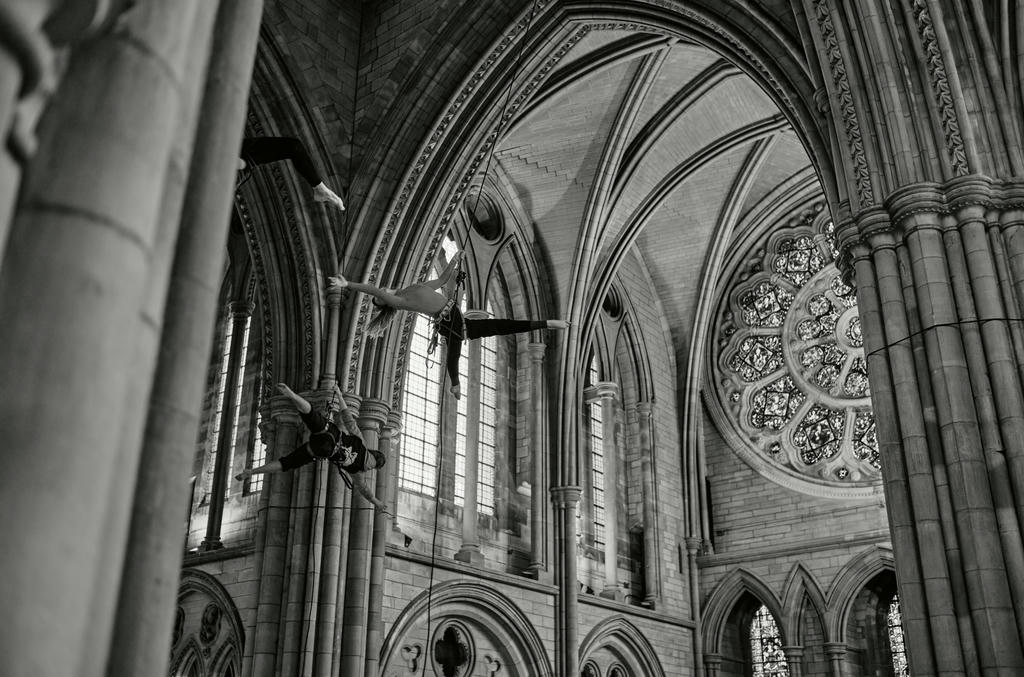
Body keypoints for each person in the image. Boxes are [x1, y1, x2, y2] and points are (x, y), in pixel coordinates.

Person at [330, 251, 568, 399]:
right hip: (450, 321)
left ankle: (547, 323)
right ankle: (455, 385)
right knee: (456, 355)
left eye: (379, 294)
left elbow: (443, 279)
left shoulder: (413, 288)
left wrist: (455, 260)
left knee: (501, 325)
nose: (380, 293)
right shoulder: (399, 301)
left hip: (458, 320)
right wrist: (347, 284)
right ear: (385, 302)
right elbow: (371, 289)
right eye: (379, 298)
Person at [235, 383, 389, 513]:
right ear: (373, 467)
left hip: (329, 434)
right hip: (319, 450)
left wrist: (339, 395)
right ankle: (252, 472)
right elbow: (365, 492)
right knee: (286, 463)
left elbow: (348, 418)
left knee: (310, 413)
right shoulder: (358, 471)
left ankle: (292, 396)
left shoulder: (361, 444)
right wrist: (378, 503)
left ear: (373, 453)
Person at [238, 136, 346, 211]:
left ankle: (320, 189)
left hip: (241, 156)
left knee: (294, 147)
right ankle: (320, 190)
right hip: (240, 159)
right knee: (294, 147)